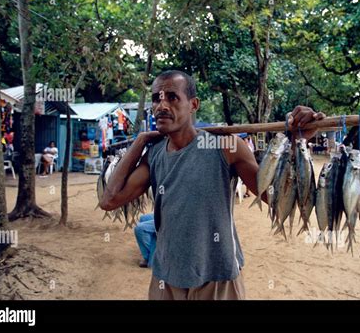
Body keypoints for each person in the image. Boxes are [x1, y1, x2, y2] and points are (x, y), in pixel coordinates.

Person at [99, 70, 325, 300]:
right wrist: (140, 141)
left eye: (172, 97)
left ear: (193, 104)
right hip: (166, 278)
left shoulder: (226, 147)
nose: (161, 105)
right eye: (157, 98)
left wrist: (297, 141)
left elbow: (275, 197)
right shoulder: (155, 154)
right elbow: (109, 200)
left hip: (218, 278)